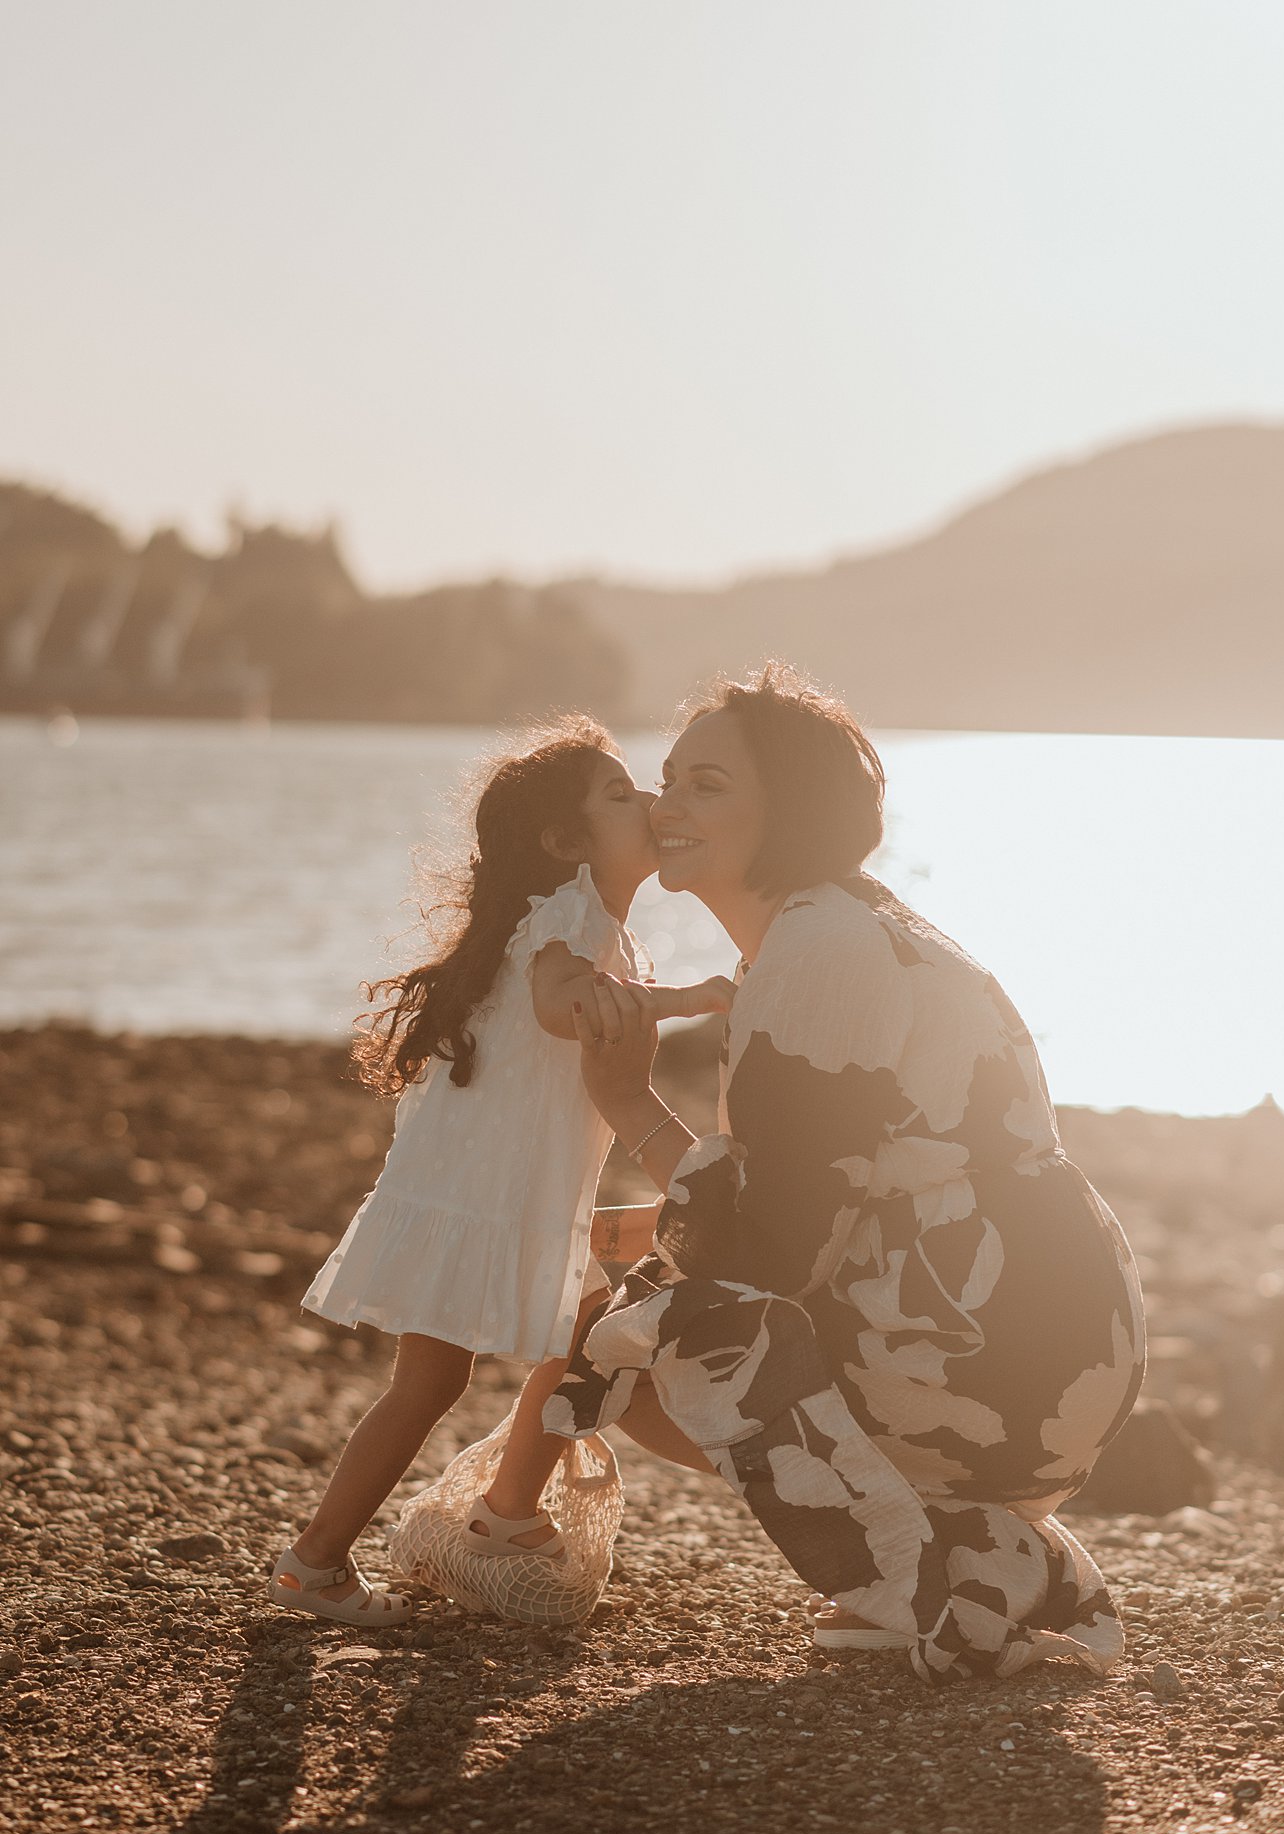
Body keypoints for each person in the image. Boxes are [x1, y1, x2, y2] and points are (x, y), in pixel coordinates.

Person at [539, 664, 1146, 1683]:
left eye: (709, 785)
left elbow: (774, 1247)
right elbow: (829, 1193)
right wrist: (623, 1231)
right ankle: (972, 1544)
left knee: (655, 1340)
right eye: (666, 777)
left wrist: (630, 1102)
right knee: (626, 1301)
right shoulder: (844, 924)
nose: (665, 804)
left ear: (794, 809)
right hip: (1045, 1333)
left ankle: (920, 1573)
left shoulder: (819, 952)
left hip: (999, 1350)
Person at [267, 718, 732, 1627]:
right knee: (467, 1373)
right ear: (566, 842)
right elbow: (560, 1005)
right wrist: (693, 1000)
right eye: (619, 795)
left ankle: (484, 1518)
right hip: (488, 1196)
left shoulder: (587, 920)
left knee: (559, 1337)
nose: (647, 802)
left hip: (494, 1188)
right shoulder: (569, 913)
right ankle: (332, 1557)